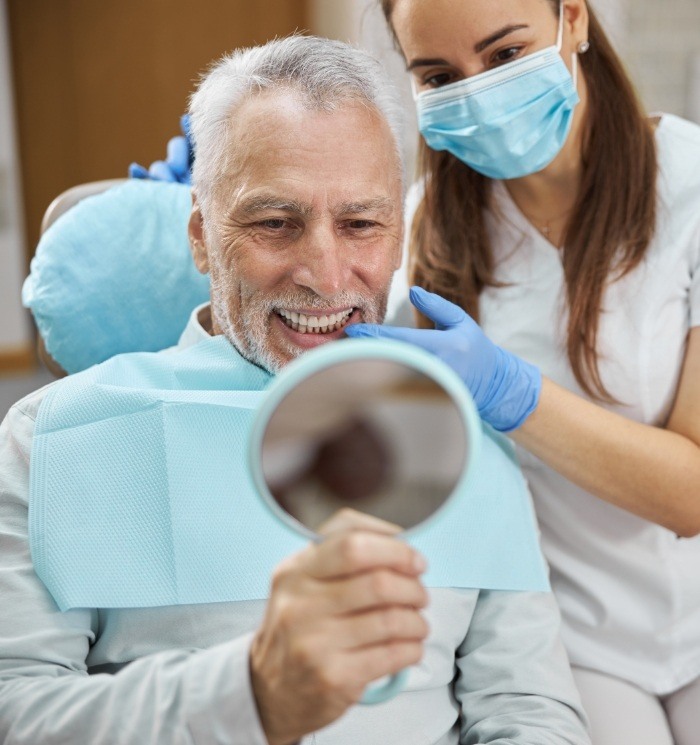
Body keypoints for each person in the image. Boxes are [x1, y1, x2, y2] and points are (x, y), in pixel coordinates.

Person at [0, 36, 590, 745]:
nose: (325, 273)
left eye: (360, 224)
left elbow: (529, 708)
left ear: (398, 237)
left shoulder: (466, 436)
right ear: (200, 235)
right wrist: (249, 696)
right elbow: (18, 711)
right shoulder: (51, 439)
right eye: (275, 223)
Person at [348, 1, 700, 743]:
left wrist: (511, 393)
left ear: (572, 18)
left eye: (505, 55)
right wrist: (218, 208)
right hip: (570, 632)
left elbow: (692, 493)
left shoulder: (690, 188)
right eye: (439, 74)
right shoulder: (422, 234)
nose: (476, 91)